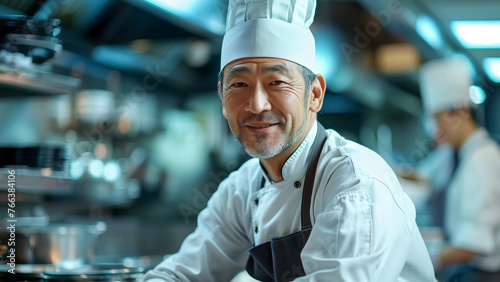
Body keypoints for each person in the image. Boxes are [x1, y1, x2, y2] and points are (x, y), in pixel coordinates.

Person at [142, 0, 436, 281]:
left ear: (315, 95)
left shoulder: (355, 185)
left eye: (277, 83)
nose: (257, 105)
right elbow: (181, 273)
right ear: (222, 97)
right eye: (240, 84)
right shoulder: (242, 190)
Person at [419, 54, 500, 282]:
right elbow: (424, 177)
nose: (435, 128)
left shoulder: (481, 159)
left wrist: (426, 261)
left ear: (461, 112)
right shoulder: (460, 153)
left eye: (439, 119)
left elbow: (474, 244)